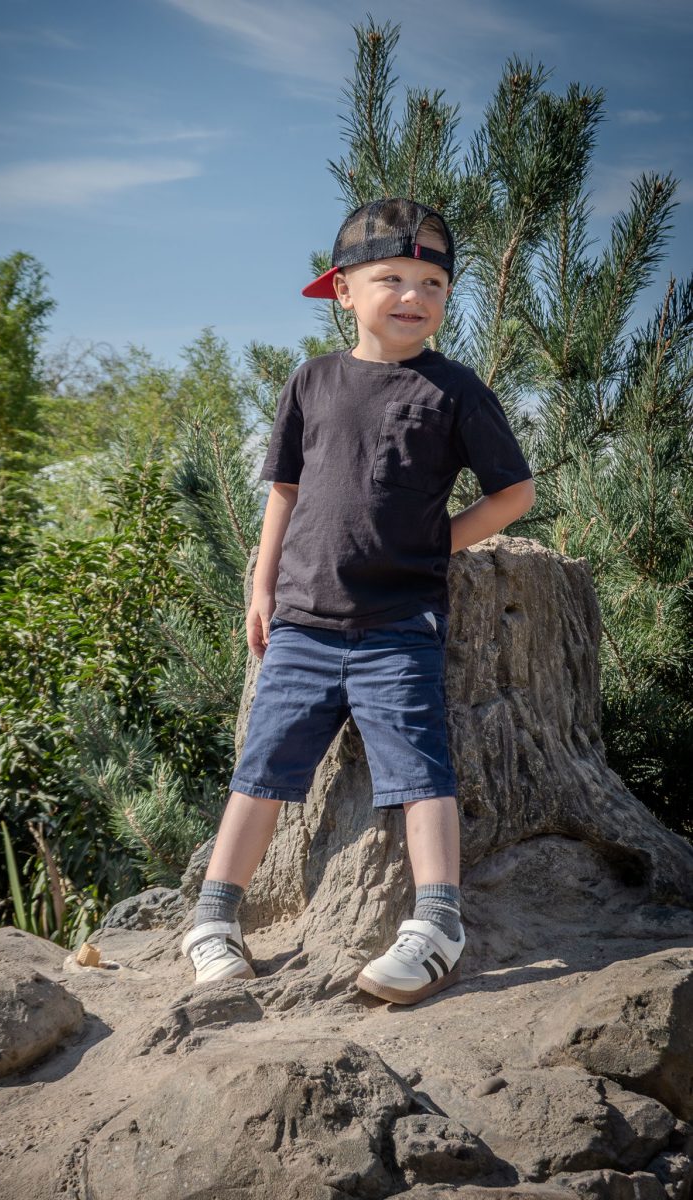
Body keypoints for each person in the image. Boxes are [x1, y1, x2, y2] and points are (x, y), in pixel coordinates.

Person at [180, 197, 536, 1004]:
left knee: (419, 768)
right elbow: (284, 491)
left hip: (398, 625)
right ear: (343, 289)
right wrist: (262, 583)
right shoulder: (313, 381)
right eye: (392, 278)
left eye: (433, 283)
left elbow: (514, 491)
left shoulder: (454, 392)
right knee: (262, 769)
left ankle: (439, 920)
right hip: (304, 619)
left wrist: (433, 543)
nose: (413, 295)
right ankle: (212, 917)